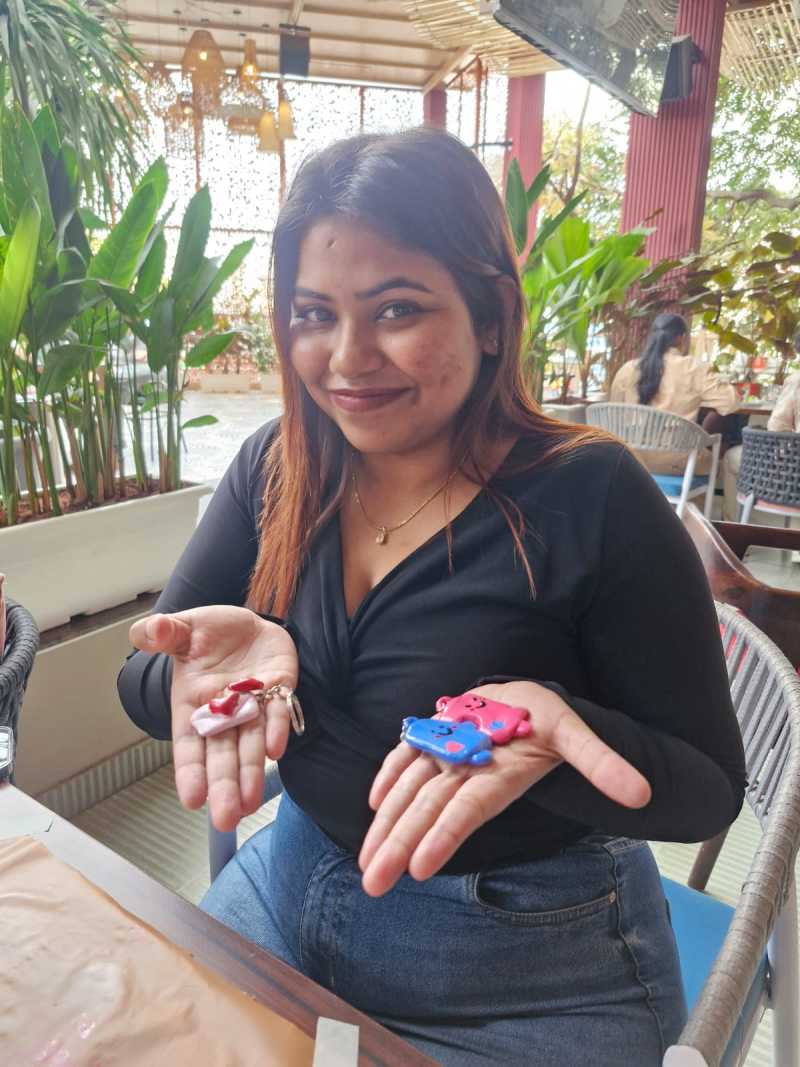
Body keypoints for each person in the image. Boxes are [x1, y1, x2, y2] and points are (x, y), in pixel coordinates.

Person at [118, 129, 745, 1067]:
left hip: (528, 970)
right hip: (288, 893)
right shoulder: (279, 468)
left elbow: (709, 790)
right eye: (313, 314)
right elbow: (143, 681)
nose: (346, 356)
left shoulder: (593, 496)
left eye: (397, 309)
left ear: (489, 318)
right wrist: (200, 683)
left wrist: (556, 729)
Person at [723, 333, 800, 520]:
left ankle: (731, 525)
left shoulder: (796, 380)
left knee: (730, 457)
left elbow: (777, 428)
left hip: (795, 475)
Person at [610, 312, 738, 425]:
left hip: (628, 444)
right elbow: (731, 403)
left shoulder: (628, 369)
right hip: (679, 445)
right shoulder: (694, 368)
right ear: (681, 338)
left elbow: (613, 411)